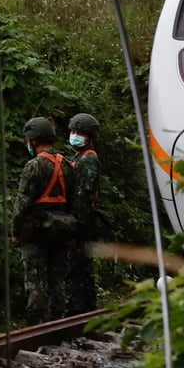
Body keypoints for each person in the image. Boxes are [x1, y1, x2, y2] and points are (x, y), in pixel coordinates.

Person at [11, 116, 77, 325]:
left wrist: (15, 231)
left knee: (35, 282)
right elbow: (73, 200)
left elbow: (22, 203)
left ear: (32, 140)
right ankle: (57, 326)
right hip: (63, 229)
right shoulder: (67, 165)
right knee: (57, 281)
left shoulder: (34, 166)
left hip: (36, 230)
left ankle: (33, 328)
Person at [65, 112, 101, 315]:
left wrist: (76, 227)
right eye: (72, 131)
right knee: (79, 269)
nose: (74, 135)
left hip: (81, 224)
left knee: (78, 270)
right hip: (77, 223)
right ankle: (84, 313)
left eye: (79, 133)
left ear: (90, 137)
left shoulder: (89, 160)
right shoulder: (79, 158)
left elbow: (84, 198)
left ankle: (79, 313)